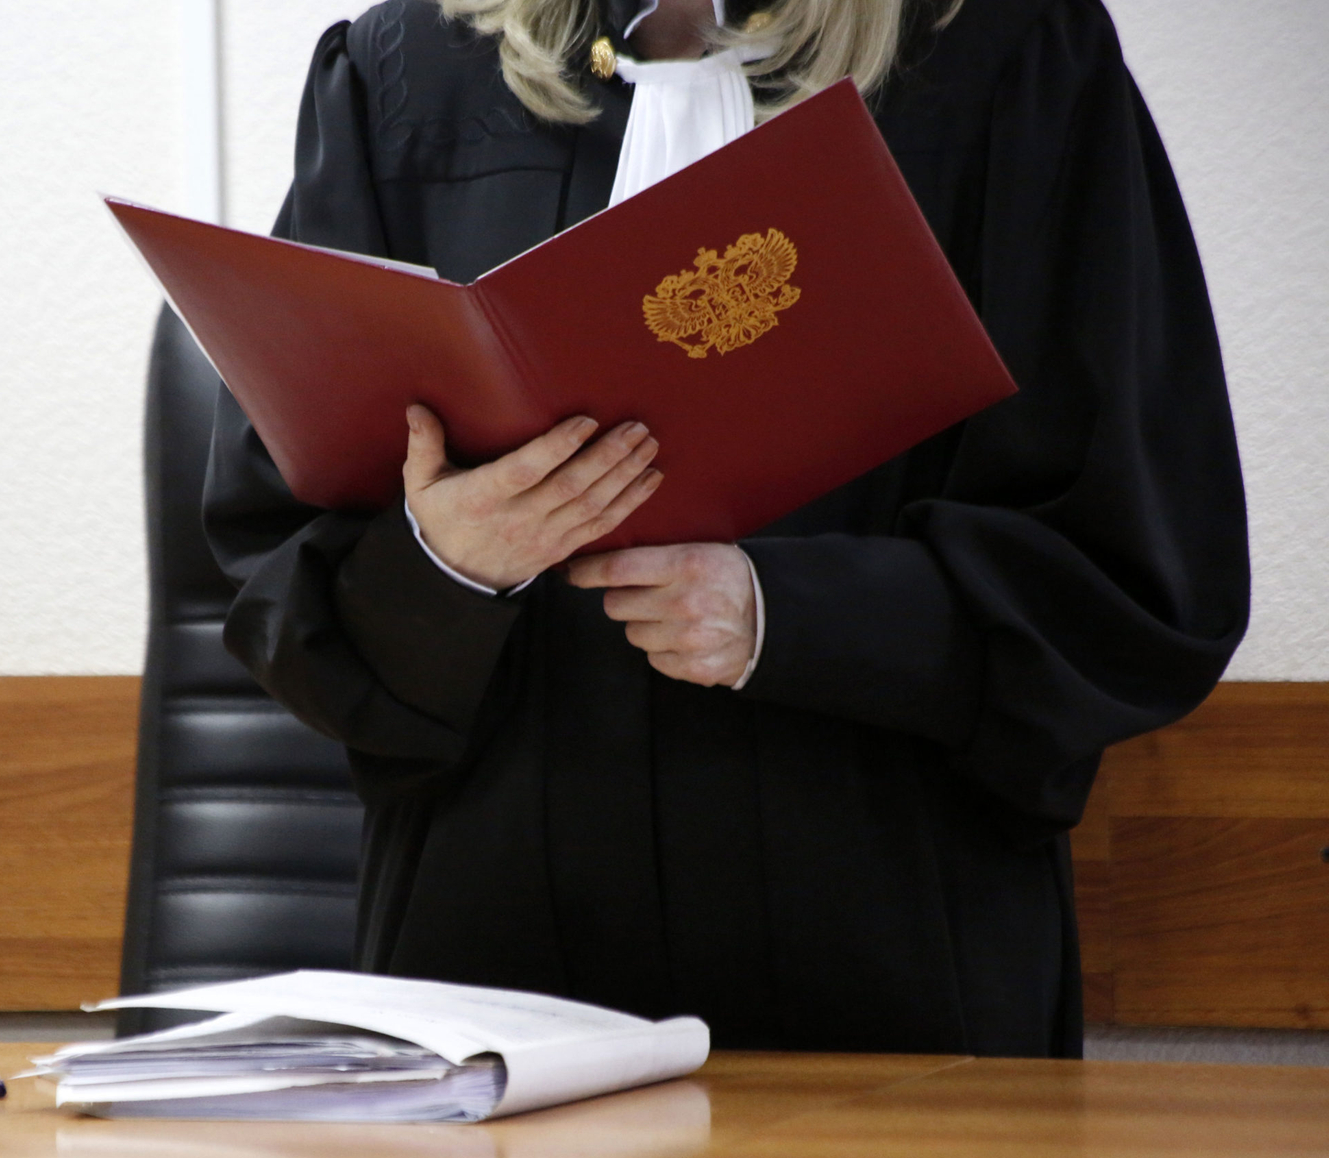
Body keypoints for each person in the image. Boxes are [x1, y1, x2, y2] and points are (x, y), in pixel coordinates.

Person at [199, 0, 1249, 1057]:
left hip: (889, 949)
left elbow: (1135, 573)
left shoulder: (1007, 50)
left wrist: (789, 616)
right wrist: (444, 566)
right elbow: (278, 562)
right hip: (489, 964)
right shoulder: (407, 71)